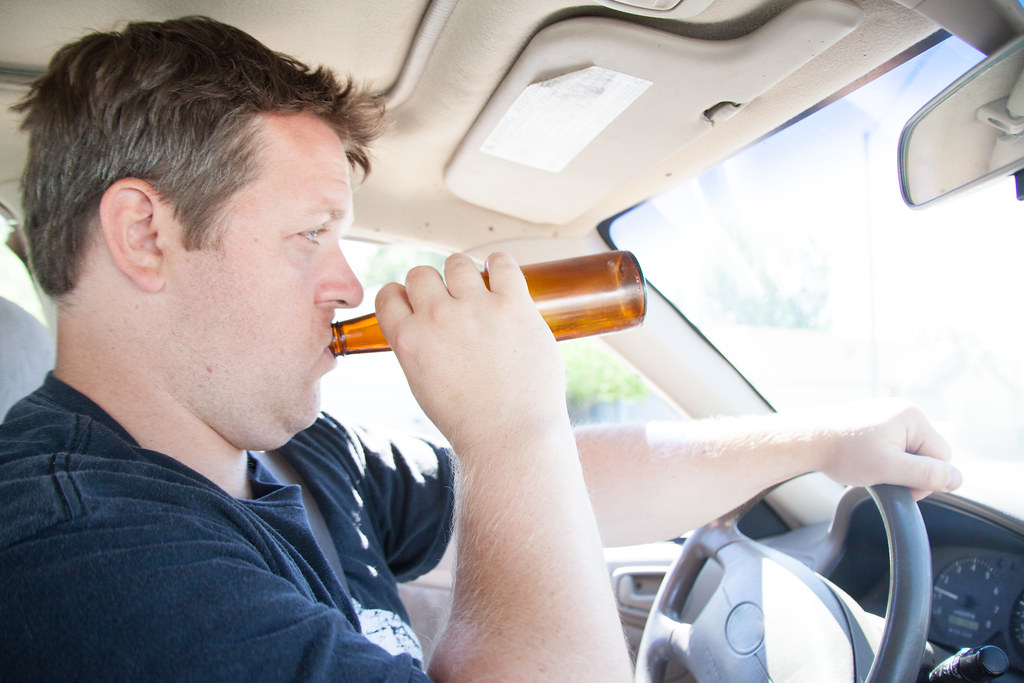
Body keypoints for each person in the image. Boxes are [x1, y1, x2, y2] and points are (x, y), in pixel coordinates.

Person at [0, 16, 961, 682]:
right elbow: (523, 468)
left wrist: (827, 442)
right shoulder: (73, 554)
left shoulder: (292, 448)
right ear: (143, 235)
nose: (348, 283)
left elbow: (575, 483)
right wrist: (509, 429)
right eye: (309, 235)